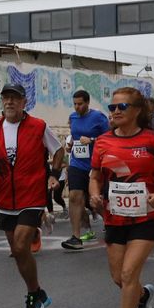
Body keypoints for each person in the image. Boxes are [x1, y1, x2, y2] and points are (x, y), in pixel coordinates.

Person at [89, 89, 154, 308]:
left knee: (128, 274)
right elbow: (94, 176)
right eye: (111, 107)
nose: (114, 111)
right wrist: (93, 194)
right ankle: (143, 297)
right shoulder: (102, 142)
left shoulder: (152, 140)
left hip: (146, 217)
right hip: (115, 217)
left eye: (121, 107)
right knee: (118, 278)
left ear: (137, 110)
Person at [0, 83, 62, 308]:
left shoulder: (38, 126)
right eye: (6, 98)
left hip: (32, 195)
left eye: (14, 98)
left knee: (20, 247)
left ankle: (32, 297)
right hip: (5, 198)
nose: (9, 102)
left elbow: (58, 151)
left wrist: (54, 174)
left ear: (24, 102)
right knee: (17, 251)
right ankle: (37, 291)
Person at [61, 90, 108, 250]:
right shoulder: (73, 117)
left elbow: (110, 137)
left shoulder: (98, 117)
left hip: (95, 165)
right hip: (77, 163)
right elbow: (75, 137)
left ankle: (111, 223)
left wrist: (92, 140)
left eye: (80, 104)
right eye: (74, 104)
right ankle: (76, 236)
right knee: (74, 197)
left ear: (87, 102)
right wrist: (72, 144)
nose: (77, 107)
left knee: (94, 201)